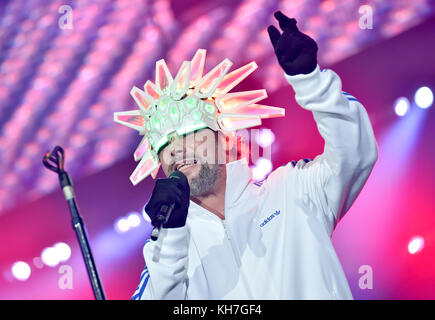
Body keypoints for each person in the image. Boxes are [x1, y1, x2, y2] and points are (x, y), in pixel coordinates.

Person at [129, 11, 378, 300]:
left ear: (224, 140)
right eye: (163, 145)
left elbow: (355, 153)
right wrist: (170, 238)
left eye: (190, 132)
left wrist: (313, 84)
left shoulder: (292, 190)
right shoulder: (169, 254)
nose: (176, 149)